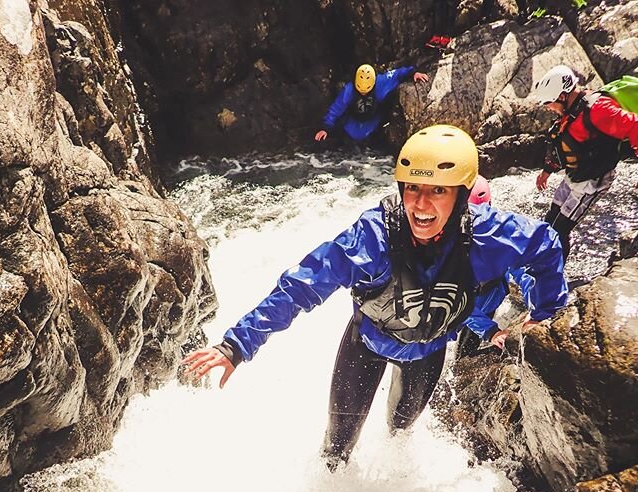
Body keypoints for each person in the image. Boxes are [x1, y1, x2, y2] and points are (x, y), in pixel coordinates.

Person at [183, 125, 568, 471]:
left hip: (427, 352)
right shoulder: (375, 236)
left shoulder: (488, 238)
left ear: (462, 196)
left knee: (399, 433)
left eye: (438, 190)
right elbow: (303, 285)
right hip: (364, 345)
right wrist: (237, 345)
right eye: (413, 188)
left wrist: (545, 310)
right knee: (336, 450)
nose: (420, 203)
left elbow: (546, 245)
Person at [532, 65, 638, 262]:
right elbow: (562, 141)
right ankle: (542, 266)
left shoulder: (598, 109)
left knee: (559, 230)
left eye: (550, 103)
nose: (548, 107)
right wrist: (548, 170)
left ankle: (553, 278)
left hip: (593, 180)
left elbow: (634, 125)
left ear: (563, 96)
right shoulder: (572, 109)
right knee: (550, 220)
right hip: (575, 174)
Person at [314, 64, 429, 148]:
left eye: (366, 91)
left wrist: (413, 72)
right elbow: (335, 110)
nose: (363, 93)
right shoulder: (348, 90)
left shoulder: (381, 82)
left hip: (373, 124)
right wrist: (325, 128)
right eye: (360, 91)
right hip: (351, 126)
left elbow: (397, 74)